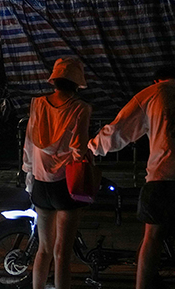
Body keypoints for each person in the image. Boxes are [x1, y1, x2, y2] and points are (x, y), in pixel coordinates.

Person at [88, 66, 175, 289]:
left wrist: (92, 147)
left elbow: (119, 130)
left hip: (162, 176)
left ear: (157, 80)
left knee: (152, 238)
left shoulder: (154, 93)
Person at [22, 58, 92, 289]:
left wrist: (29, 174)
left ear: (55, 80)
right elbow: (78, 149)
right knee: (62, 253)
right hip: (66, 186)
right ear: (76, 83)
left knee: (44, 249)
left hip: (41, 185)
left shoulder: (37, 104)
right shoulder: (80, 108)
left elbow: (29, 144)